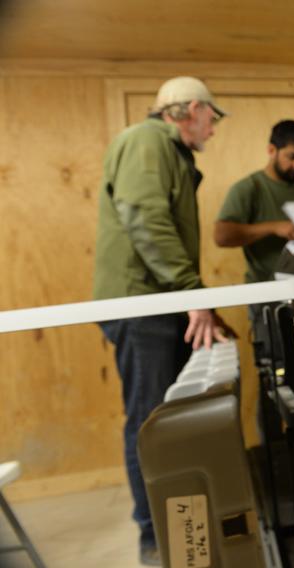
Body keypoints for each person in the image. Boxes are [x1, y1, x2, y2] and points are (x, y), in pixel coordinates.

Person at [93, 76, 231, 566]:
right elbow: (145, 218)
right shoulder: (146, 141)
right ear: (192, 110)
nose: (212, 130)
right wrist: (193, 294)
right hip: (141, 305)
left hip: (160, 301)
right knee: (150, 420)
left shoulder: (173, 154)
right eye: (212, 119)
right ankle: (154, 539)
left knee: (168, 418)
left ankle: (179, 524)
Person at [214, 120, 294, 283]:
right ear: (272, 150)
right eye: (292, 157)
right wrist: (273, 227)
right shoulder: (249, 188)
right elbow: (221, 236)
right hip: (264, 291)